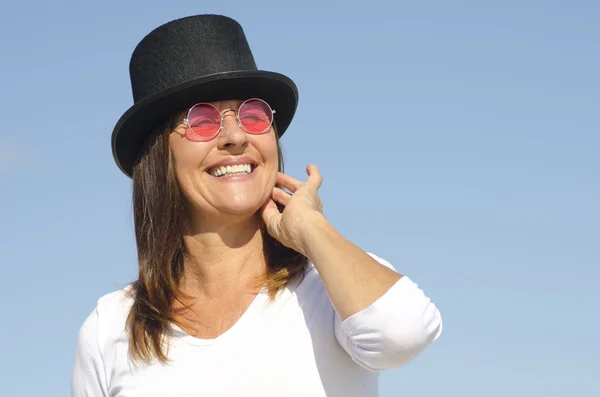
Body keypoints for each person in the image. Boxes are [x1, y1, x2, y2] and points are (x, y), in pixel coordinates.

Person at [71, 14, 443, 397]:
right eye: (201, 119)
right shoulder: (110, 329)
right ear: (158, 155)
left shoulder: (330, 288)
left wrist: (310, 229)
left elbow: (405, 333)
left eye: (253, 114)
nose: (235, 135)